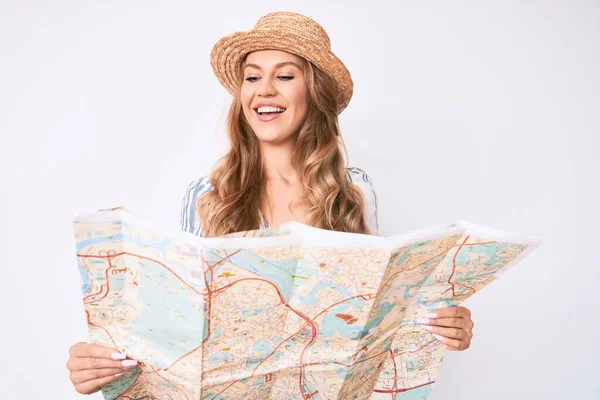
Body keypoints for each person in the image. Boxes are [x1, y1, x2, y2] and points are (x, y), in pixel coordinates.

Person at [66, 11, 475, 395]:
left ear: (312, 92)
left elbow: (371, 324)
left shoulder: (354, 191)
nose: (264, 89)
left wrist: (437, 327)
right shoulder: (205, 195)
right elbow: (180, 335)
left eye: (284, 75)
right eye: (251, 77)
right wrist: (104, 365)